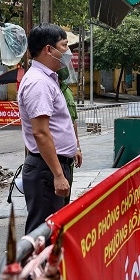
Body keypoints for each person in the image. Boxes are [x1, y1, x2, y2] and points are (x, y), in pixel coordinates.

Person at [17, 23, 82, 234]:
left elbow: (60, 122)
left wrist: (74, 148)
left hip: (54, 167)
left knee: (54, 233)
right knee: (42, 235)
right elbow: (41, 132)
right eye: (64, 46)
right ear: (48, 49)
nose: (68, 52)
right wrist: (57, 175)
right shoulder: (39, 83)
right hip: (47, 170)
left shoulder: (49, 79)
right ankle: (34, 268)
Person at [57, 66, 82, 205]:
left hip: (68, 160)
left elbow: (73, 122)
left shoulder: (67, 91)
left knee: (65, 201)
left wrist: (77, 147)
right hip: (54, 159)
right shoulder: (47, 88)